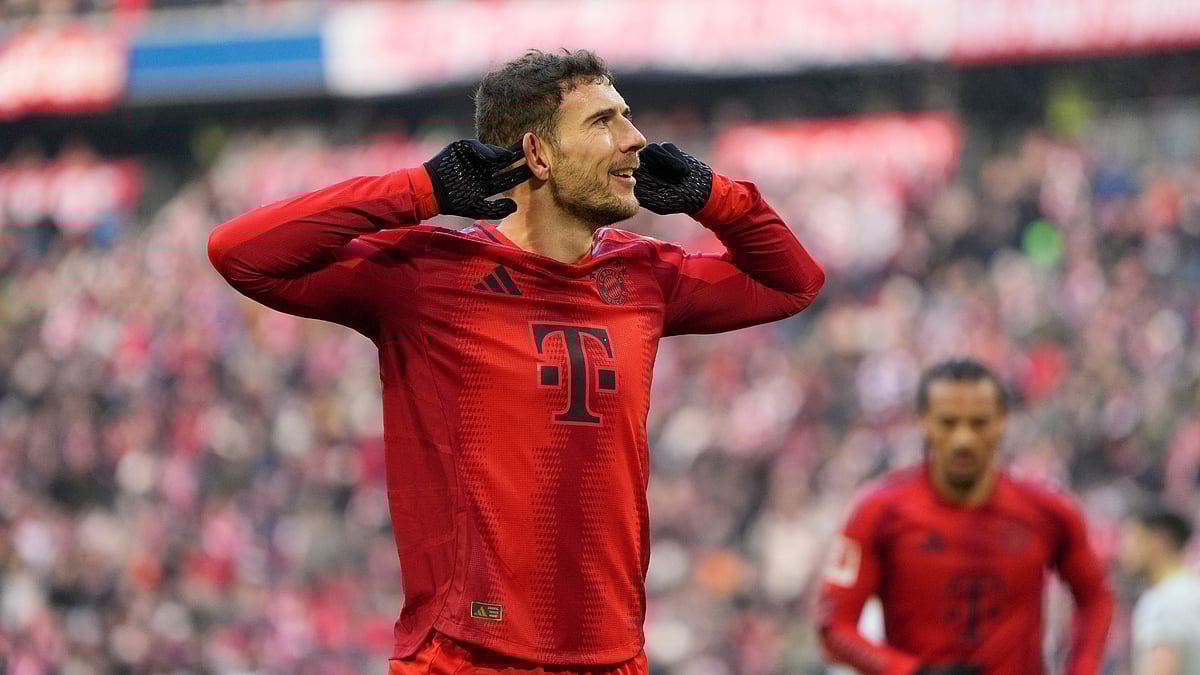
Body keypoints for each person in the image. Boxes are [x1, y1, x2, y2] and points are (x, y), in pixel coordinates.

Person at [207, 49, 825, 674]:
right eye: (603, 122)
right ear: (537, 154)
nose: (636, 140)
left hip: (614, 656)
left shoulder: (645, 274)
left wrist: (714, 197)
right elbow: (241, 252)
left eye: (627, 116)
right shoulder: (424, 275)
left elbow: (793, 284)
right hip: (468, 654)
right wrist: (421, 190)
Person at [818, 358, 1114, 675]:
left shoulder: (1050, 510)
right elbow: (834, 628)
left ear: (1002, 421)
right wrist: (912, 672)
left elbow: (1096, 599)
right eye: (948, 422)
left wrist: (1082, 669)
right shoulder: (876, 511)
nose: (964, 439)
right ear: (923, 422)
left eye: (978, 423)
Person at [1119, 506, 1200, 675]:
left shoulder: (1162, 601)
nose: (1123, 549)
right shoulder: (1192, 591)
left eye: (1131, 537)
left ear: (1158, 542)